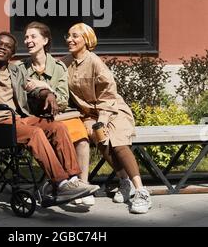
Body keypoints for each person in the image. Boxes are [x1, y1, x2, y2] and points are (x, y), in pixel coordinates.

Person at [0, 16, 99, 207]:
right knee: (36, 133)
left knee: (57, 127)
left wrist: (48, 93)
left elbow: (32, 87)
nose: (2, 47)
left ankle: (73, 179)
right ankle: (60, 183)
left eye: (7, 46)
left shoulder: (17, 71)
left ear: (12, 53)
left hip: (19, 119)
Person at [62, 23, 152, 214]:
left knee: (118, 143)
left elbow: (109, 94)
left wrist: (101, 120)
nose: (69, 40)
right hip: (88, 114)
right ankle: (124, 181)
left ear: (86, 40)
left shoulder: (94, 62)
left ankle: (141, 191)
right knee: (99, 139)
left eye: (75, 36)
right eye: (68, 36)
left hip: (112, 109)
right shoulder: (64, 62)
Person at [18, 22, 94, 206]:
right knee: (49, 131)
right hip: (35, 118)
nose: (28, 41)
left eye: (33, 37)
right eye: (26, 37)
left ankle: (81, 185)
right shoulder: (20, 68)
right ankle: (64, 183)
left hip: (59, 114)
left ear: (44, 40)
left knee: (80, 137)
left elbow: (61, 100)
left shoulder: (58, 67)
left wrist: (45, 87)